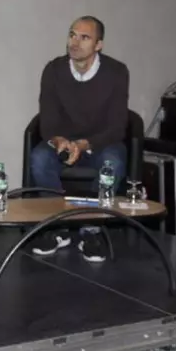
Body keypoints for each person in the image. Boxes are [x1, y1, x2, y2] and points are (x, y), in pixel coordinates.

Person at [29, 15, 129, 262]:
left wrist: (84, 145)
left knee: (113, 163)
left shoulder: (116, 72)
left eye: (84, 37)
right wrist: (60, 141)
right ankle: (57, 226)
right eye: (72, 35)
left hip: (101, 144)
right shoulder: (54, 70)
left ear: (98, 45)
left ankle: (91, 230)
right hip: (63, 143)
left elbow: (117, 127)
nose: (75, 42)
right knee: (39, 158)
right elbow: (47, 121)